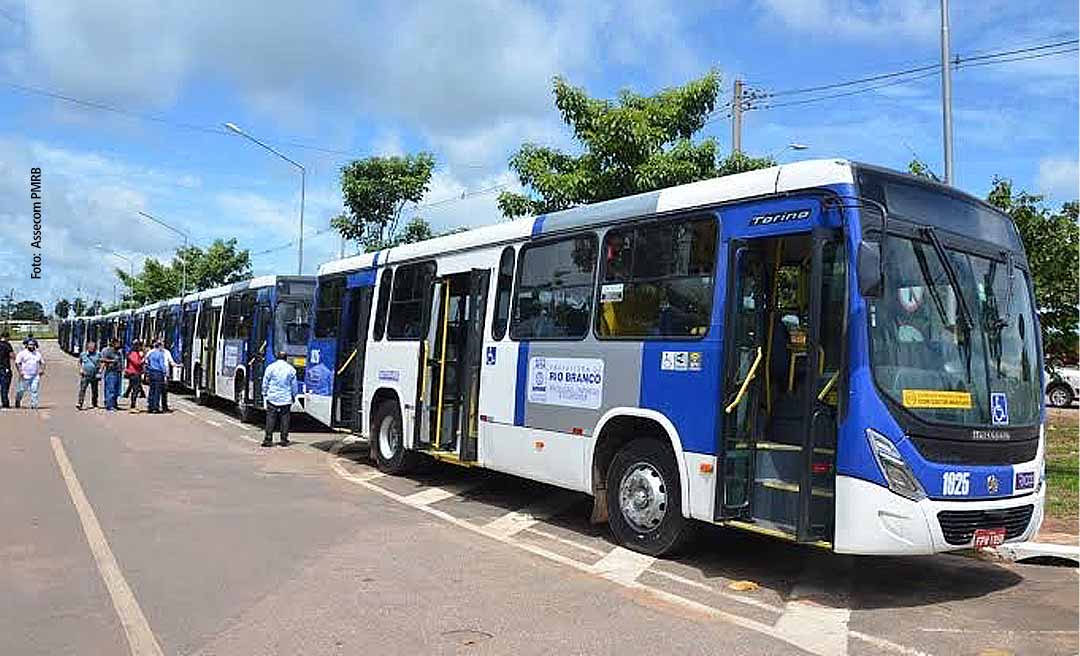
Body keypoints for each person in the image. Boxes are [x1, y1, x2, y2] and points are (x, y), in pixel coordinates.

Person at [261, 350, 297, 447]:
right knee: (285, 419)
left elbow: (265, 381)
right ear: (286, 358)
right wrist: (294, 396)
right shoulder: (291, 369)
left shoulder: (270, 367)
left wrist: (264, 393)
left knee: (270, 418)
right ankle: (284, 440)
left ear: (277, 357)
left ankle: (268, 439)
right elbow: (294, 386)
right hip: (285, 398)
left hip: (272, 397)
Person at [14, 339, 45, 409]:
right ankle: (18, 400)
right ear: (26, 345)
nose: (31, 346)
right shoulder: (22, 353)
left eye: (33, 344)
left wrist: (42, 370)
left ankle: (34, 404)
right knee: (21, 390)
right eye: (30, 344)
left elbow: (42, 362)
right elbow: (17, 363)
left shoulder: (37, 354)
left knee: (34, 390)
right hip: (25, 376)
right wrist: (20, 371)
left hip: (35, 375)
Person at [144, 340, 170, 414]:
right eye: (162, 346)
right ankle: (156, 407)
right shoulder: (160, 354)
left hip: (151, 372)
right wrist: (165, 374)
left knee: (151, 390)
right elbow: (162, 365)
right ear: (159, 346)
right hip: (158, 373)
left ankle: (150, 406)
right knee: (157, 391)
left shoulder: (151, 353)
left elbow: (147, 362)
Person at [100, 338, 123, 412]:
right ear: (113, 344)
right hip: (111, 372)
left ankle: (114, 404)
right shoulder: (107, 351)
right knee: (110, 389)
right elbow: (102, 359)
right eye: (117, 343)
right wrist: (111, 361)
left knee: (117, 390)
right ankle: (109, 405)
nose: (119, 345)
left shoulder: (119, 352)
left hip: (118, 372)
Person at [77, 341, 101, 410]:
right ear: (87, 347)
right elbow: (79, 362)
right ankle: (80, 403)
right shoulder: (83, 354)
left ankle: (94, 403)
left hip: (94, 374)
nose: (92, 349)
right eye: (90, 347)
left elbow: (101, 363)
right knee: (82, 389)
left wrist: (100, 372)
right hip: (85, 374)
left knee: (95, 390)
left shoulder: (98, 354)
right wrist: (80, 369)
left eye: (93, 348)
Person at [125, 340, 145, 413]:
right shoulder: (133, 353)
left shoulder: (135, 353)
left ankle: (133, 404)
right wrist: (143, 360)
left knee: (135, 389)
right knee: (135, 390)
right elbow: (137, 363)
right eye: (140, 346)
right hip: (134, 373)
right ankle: (132, 406)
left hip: (136, 373)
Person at [0, 332, 13, 409]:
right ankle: (5, 403)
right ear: (7, 337)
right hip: (4, 368)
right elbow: (12, 355)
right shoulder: (7, 345)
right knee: (4, 387)